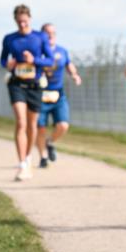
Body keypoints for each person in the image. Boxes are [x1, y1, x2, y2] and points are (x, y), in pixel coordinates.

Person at [0, 4, 54, 181]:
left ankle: (28, 155)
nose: (22, 25)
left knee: (32, 125)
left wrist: (34, 60)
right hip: (16, 84)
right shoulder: (10, 39)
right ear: (15, 20)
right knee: (21, 122)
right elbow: (2, 59)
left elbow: (50, 60)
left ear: (30, 19)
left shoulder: (40, 38)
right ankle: (22, 162)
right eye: (19, 22)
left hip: (35, 85)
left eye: (24, 21)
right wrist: (7, 64)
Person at [35, 23, 82, 168]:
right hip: (40, 95)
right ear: (41, 35)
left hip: (57, 95)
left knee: (63, 125)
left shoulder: (62, 51)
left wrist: (74, 75)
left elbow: (68, 64)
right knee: (40, 128)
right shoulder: (37, 51)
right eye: (47, 33)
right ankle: (43, 157)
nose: (50, 36)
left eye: (53, 33)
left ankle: (50, 142)